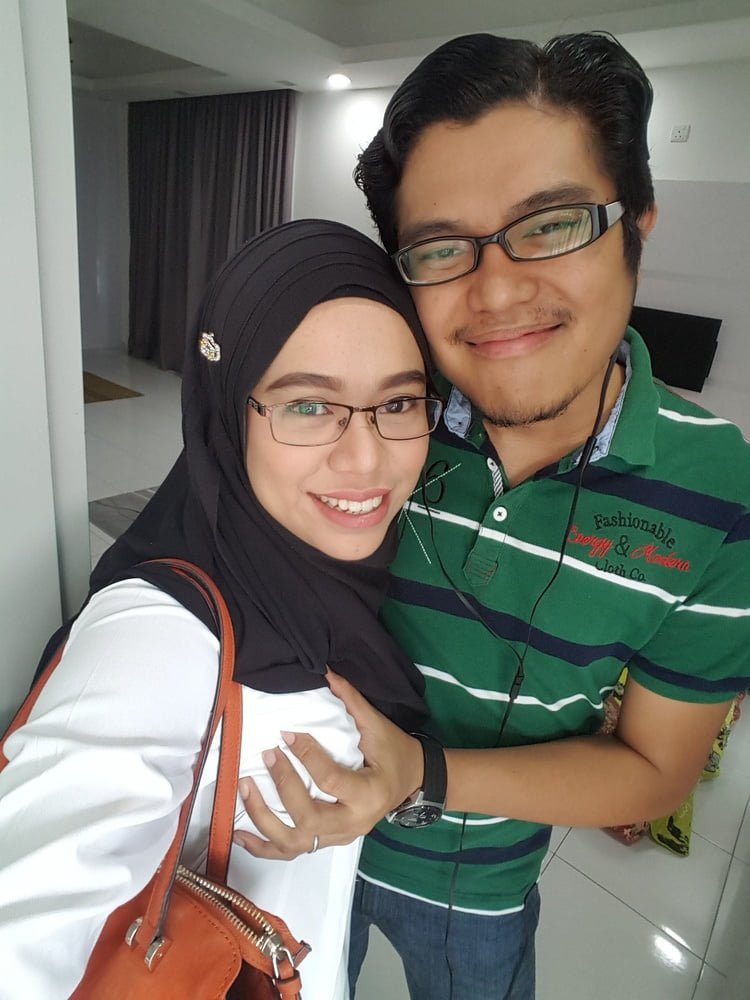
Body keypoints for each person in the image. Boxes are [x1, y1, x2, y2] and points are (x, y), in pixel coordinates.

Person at [233, 33, 750, 1000]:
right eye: (441, 249)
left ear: (636, 224)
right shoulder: (379, 417)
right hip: (293, 848)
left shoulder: (719, 489)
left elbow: (654, 769)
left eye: (551, 225)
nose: (499, 291)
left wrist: (422, 775)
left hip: (479, 890)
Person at [0, 219, 445, 999]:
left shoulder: (344, 578)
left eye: (399, 401)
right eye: (308, 406)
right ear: (225, 412)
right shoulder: (158, 635)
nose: (366, 457)